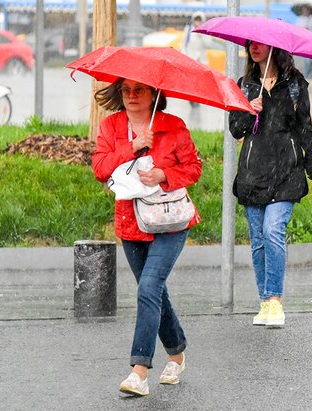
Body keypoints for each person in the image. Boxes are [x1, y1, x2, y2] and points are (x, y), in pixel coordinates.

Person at [91, 78, 202, 396]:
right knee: (153, 292)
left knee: (150, 287)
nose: (131, 95)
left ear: (154, 93)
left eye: (139, 89)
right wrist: (133, 146)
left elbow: (193, 168)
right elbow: (100, 169)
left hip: (170, 222)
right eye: (126, 90)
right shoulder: (111, 126)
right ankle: (177, 354)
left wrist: (165, 174)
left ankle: (139, 371)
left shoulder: (173, 125)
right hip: (131, 223)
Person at [229, 40, 312, 328]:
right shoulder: (244, 85)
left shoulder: (295, 84)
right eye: (251, 44)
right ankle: (265, 302)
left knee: (272, 230)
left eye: (260, 44)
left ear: (275, 49)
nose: (253, 48)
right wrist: (249, 111)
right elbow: (236, 130)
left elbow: (305, 129)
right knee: (258, 242)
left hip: (286, 173)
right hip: (253, 174)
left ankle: (274, 300)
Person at [293, 5, 312, 78]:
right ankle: (306, 74)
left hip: (311, 40)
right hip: (302, 41)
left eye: (306, 10)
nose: (305, 11)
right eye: (304, 10)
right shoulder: (300, 19)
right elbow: (297, 29)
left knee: (309, 59)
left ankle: (309, 73)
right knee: (305, 59)